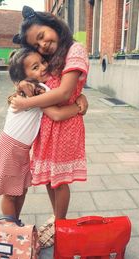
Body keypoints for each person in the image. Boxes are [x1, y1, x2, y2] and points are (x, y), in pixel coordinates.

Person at [0, 47, 88, 221]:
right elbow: (57, 113)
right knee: (10, 194)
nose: (43, 67)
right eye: (35, 67)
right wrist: (78, 106)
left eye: (43, 62)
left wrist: (80, 95)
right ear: (24, 76)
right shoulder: (36, 89)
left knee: (19, 190)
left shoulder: (34, 87)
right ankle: (11, 230)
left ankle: (15, 224)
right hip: (10, 148)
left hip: (20, 149)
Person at [11, 6, 89, 225]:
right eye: (36, 44)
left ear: (52, 24)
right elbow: (34, 78)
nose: (42, 45)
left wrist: (27, 103)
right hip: (46, 129)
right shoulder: (52, 56)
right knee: (48, 179)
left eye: (42, 36)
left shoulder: (75, 49)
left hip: (64, 125)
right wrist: (23, 84)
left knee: (60, 181)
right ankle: (57, 218)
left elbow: (64, 92)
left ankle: (61, 224)